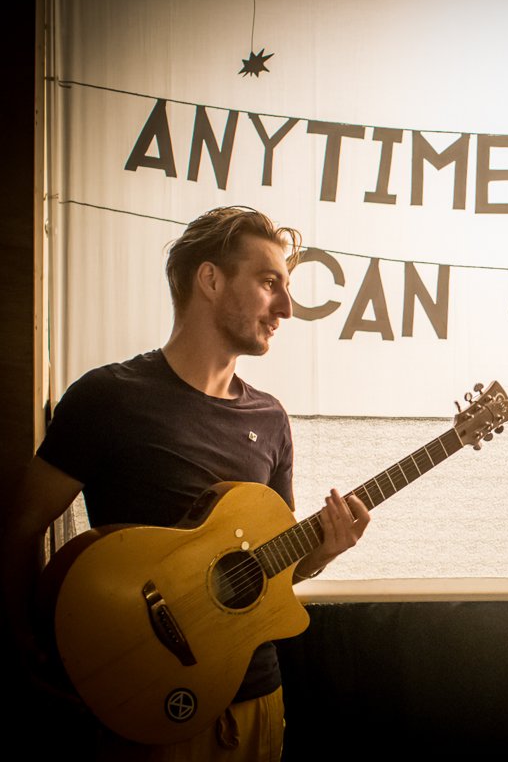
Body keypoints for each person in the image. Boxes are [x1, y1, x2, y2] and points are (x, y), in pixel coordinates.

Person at [0, 206, 370, 761]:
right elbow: (19, 525)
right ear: (211, 279)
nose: (286, 309)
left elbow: (274, 572)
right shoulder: (108, 397)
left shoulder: (270, 418)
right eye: (270, 282)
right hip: (145, 705)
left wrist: (323, 551)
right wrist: (24, 642)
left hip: (256, 700)